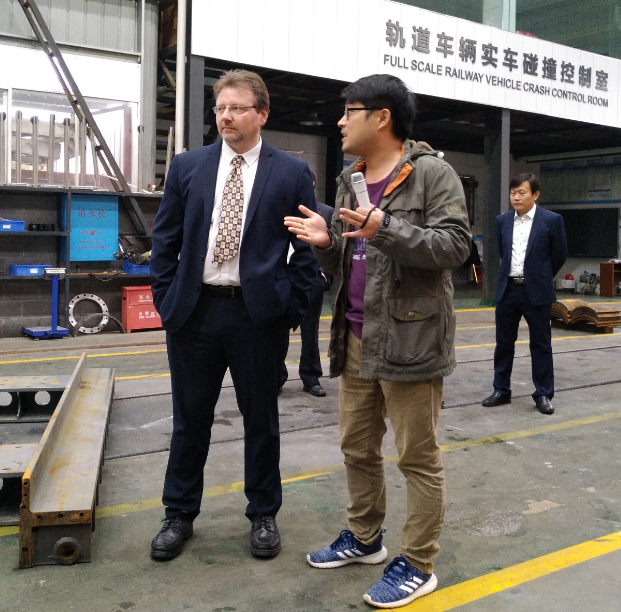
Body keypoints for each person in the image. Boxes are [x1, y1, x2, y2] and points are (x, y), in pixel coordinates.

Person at [284, 74, 471, 609]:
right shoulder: (350, 179)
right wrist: (326, 243)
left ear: (382, 116)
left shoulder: (432, 173)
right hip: (356, 335)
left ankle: (418, 562)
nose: (340, 121)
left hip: (412, 338)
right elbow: (352, 254)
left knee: (417, 457)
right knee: (357, 447)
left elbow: (455, 246)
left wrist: (385, 227)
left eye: (349, 111)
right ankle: (365, 538)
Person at [149, 69, 317, 562]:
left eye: (237, 108)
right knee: (190, 420)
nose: (226, 116)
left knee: (261, 420)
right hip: (194, 312)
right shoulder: (187, 167)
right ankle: (179, 514)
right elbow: (165, 240)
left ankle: (263, 513)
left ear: (261, 114)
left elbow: (305, 248)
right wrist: (167, 300)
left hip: (256, 316)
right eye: (220, 108)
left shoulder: (290, 172)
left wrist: (289, 310)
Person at [482, 173, 567, 415]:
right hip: (508, 289)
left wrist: (540, 275)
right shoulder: (502, 221)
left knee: (541, 344)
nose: (516, 197)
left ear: (535, 195)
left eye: (522, 193)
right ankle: (501, 390)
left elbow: (559, 254)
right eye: (513, 193)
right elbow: (503, 253)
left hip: (536, 292)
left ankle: (543, 394)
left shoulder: (551, 220)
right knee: (503, 343)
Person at [280, 171, 334, 397]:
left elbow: (333, 244)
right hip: (283, 279)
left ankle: (310, 377)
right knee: (278, 330)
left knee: (310, 331)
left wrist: (324, 276)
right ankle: (277, 376)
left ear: (312, 183)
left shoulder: (326, 212)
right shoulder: (280, 208)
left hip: (312, 280)